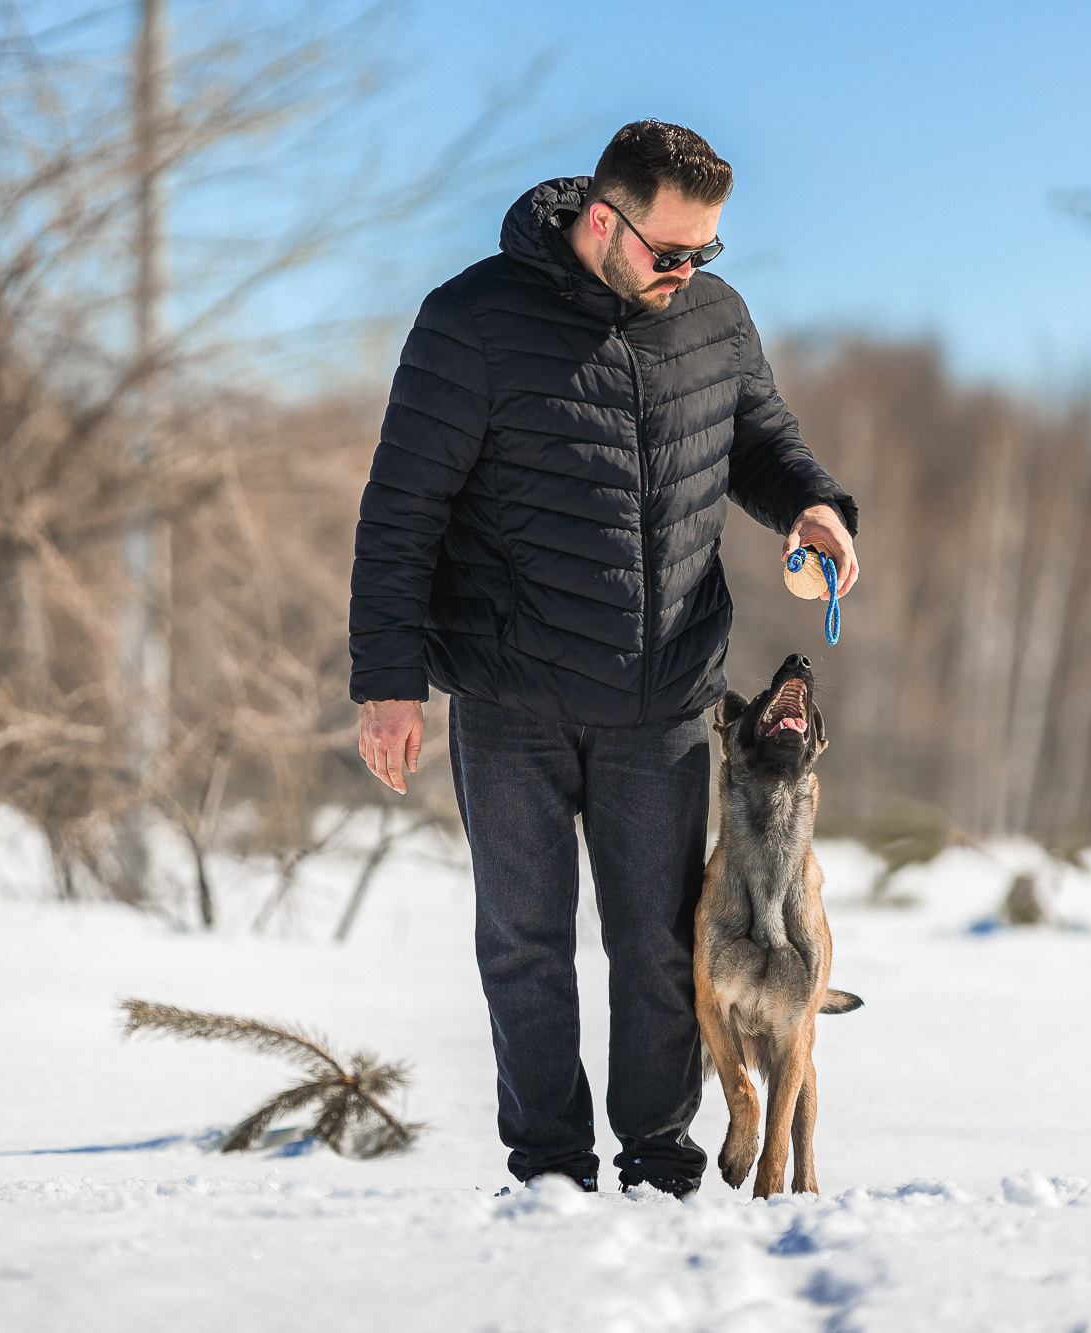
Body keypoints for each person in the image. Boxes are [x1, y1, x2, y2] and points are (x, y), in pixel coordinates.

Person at [348, 120, 860, 1197]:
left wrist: (811, 505)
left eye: (704, 253)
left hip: (662, 695)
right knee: (525, 946)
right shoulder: (470, 320)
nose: (687, 272)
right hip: (510, 695)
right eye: (668, 251)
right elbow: (400, 511)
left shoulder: (712, 320)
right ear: (599, 219)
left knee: (658, 952)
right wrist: (389, 682)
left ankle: (658, 1161)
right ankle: (545, 1168)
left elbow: (759, 439)